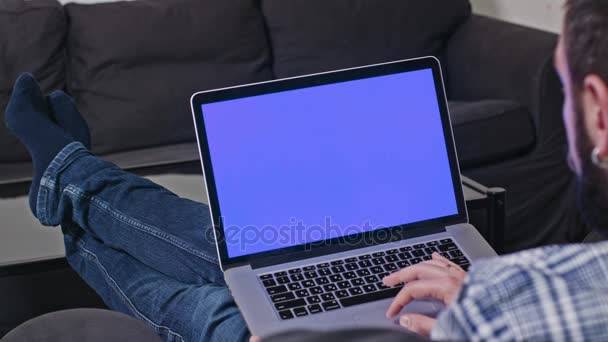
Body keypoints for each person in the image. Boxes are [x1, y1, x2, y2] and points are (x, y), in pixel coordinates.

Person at [3, 0, 608, 340]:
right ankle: (67, 178)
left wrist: (481, 314)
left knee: (217, 308)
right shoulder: (558, 283)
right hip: (442, 293)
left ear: (598, 112)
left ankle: (66, 178)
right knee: (235, 246)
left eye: (561, 92)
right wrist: (486, 295)